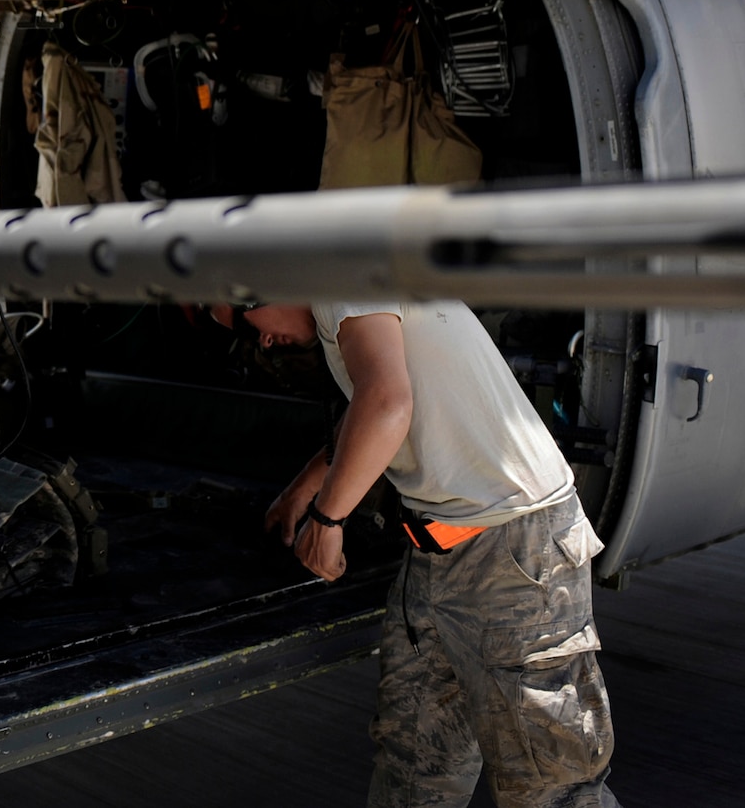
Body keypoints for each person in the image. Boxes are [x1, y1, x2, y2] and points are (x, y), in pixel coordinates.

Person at [229, 301, 617, 808]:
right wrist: (304, 488)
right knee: (415, 769)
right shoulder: (340, 304)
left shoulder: (342, 270)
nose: (260, 342)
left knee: (550, 786)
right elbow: (374, 403)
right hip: (435, 555)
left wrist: (328, 519)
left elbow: (387, 403)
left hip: (514, 553)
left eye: (241, 323)